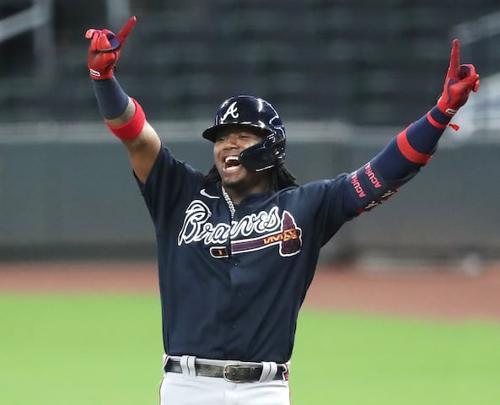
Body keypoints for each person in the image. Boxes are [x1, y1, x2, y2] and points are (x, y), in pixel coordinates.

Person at [85, 16, 479, 405]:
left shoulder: (305, 207)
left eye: (242, 135)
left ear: (271, 148)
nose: (227, 145)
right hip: (187, 387)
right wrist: (103, 79)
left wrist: (441, 113)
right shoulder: (180, 194)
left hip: (263, 390)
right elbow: (137, 137)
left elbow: (382, 174)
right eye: (221, 138)